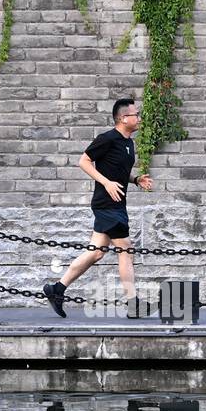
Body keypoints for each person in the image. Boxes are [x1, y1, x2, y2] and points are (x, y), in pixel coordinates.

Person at [43, 98, 155, 319]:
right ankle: (132, 304)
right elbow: (84, 161)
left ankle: (57, 289)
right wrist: (106, 183)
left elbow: (116, 170)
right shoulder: (107, 138)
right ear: (124, 118)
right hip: (107, 204)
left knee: (96, 253)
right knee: (126, 248)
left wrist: (135, 179)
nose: (139, 118)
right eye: (136, 114)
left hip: (117, 204)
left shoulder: (128, 143)